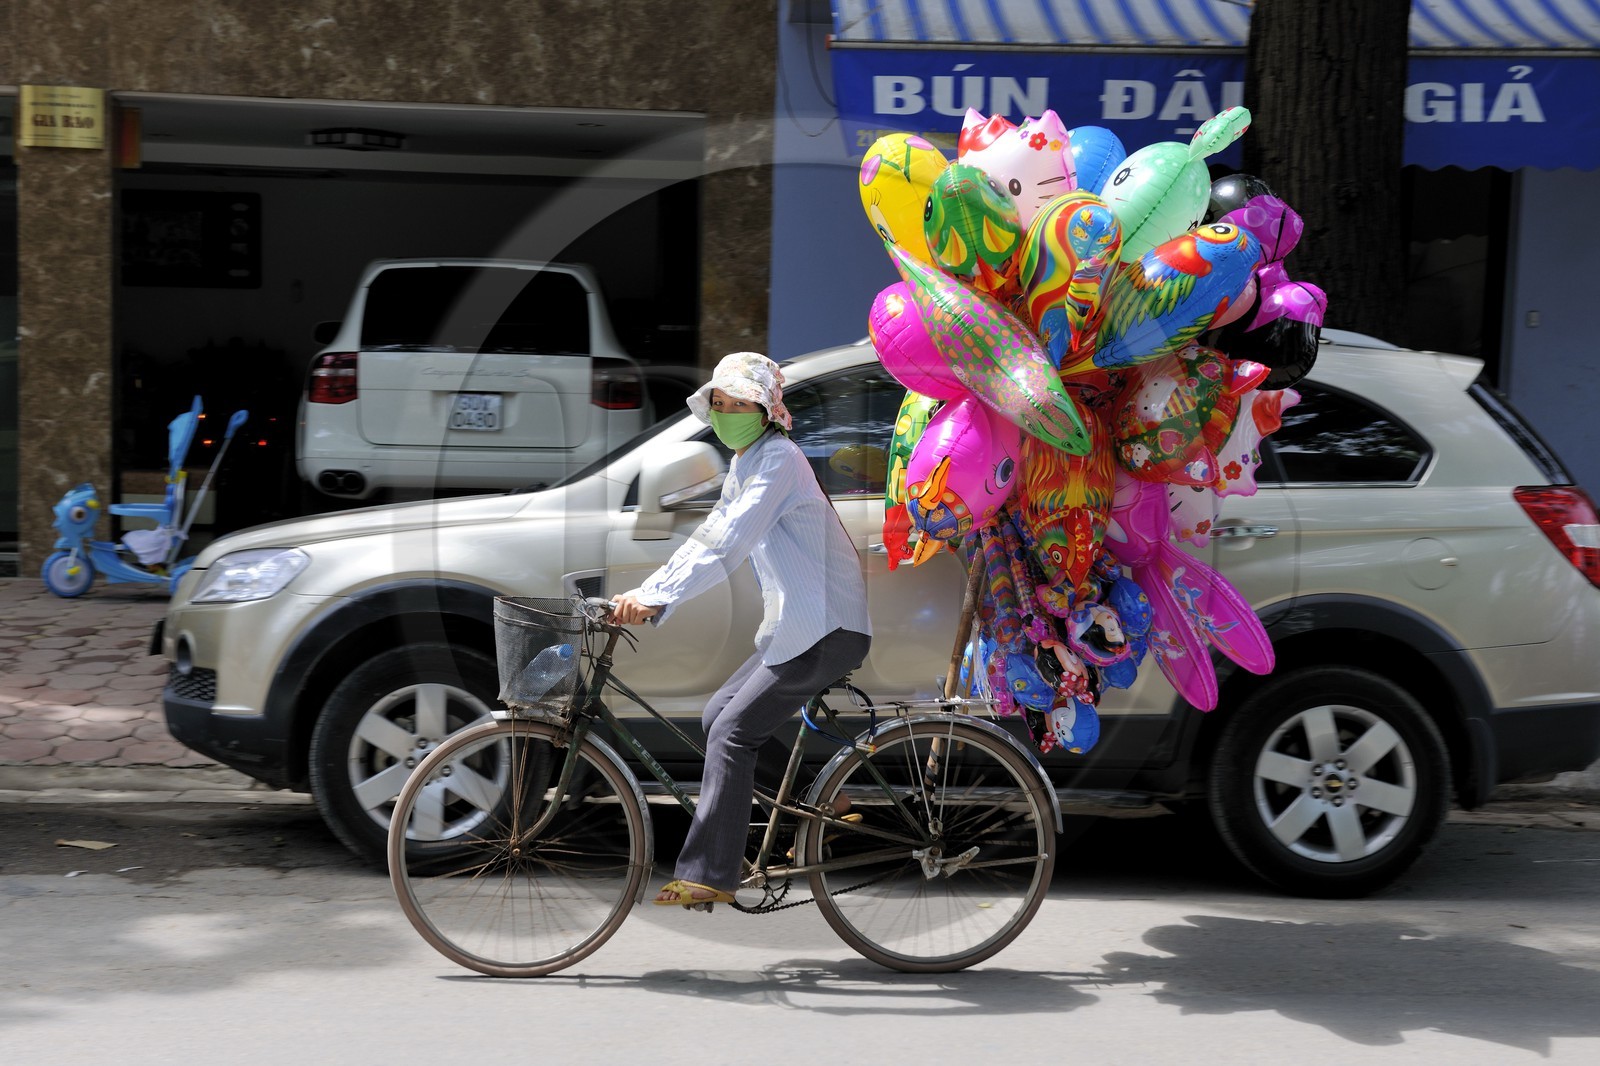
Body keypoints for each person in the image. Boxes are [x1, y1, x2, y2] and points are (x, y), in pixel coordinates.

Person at [610, 351, 872, 908]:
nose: (728, 413)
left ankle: (711, 872)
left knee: (732, 732)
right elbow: (710, 535)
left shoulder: (778, 460)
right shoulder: (749, 463)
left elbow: (730, 543)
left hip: (826, 627)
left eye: (740, 404)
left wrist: (655, 596)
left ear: (768, 410)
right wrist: (655, 593)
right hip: (801, 627)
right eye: (721, 403)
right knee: (717, 718)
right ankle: (824, 805)